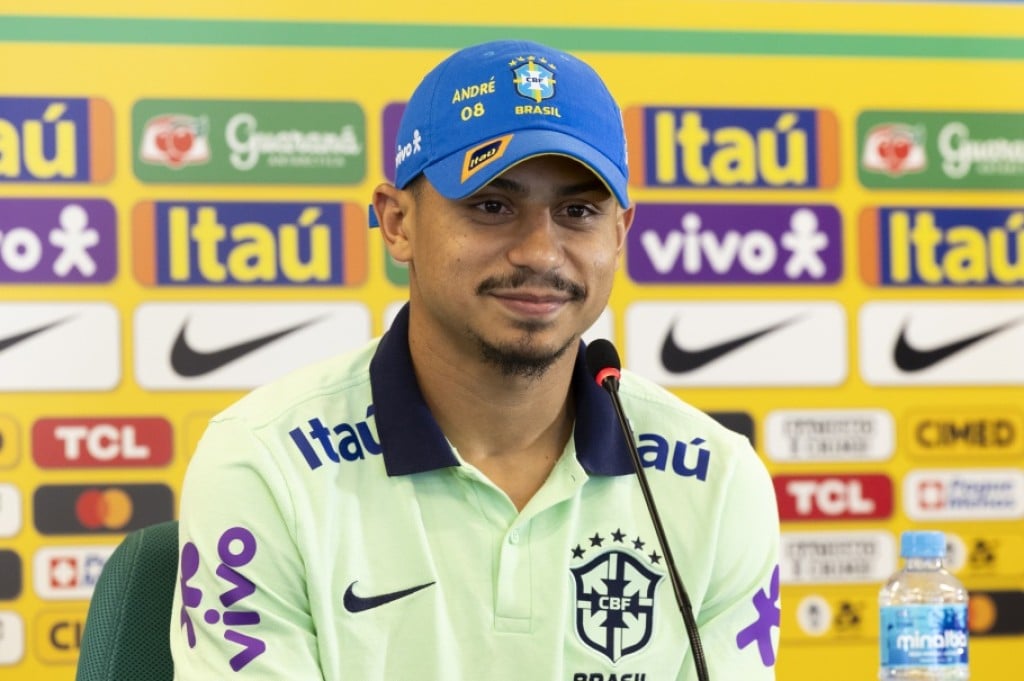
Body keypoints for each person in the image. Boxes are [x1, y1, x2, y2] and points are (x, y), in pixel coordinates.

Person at [170, 39, 780, 680]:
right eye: (492, 205)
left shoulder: (715, 479)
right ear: (397, 222)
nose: (541, 253)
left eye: (577, 212)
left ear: (620, 234)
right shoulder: (267, 464)